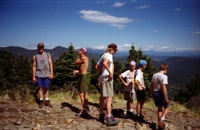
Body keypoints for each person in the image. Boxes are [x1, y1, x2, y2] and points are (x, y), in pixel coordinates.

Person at [97, 43, 120, 126]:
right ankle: (109, 118)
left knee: (102, 97)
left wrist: (101, 73)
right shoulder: (109, 55)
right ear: (112, 49)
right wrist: (110, 73)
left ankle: (101, 114)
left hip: (102, 78)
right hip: (107, 79)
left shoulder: (103, 55)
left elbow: (97, 66)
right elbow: (105, 64)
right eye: (115, 51)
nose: (115, 52)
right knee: (109, 98)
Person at [32, 42, 53, 108]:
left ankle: (47, 101)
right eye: (40, 47)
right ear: (38, 48)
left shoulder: (48, 54)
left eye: (42, 47)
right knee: (40, 87)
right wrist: (33, 76)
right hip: (38, 74)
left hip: (47, 74)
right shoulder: (35, 56)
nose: (41, 48)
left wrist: (51, 73)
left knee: (46, 87)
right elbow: (34, 66)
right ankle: (41, 101)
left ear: (43, 47)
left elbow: (51, 64)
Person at [73, 47, 89, 117]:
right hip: (84, 76)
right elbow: (83, 68)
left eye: (79, 50)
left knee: (81, 94)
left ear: (82, 52)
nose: (78, 51)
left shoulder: (83, 58)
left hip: (83, 77)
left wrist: (78, 56)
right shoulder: (85, 58)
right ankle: (86, 108)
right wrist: (78, 71)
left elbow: (75, 62)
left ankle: (84, 110)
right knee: (85, 93)